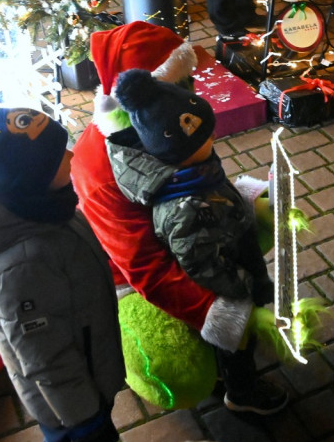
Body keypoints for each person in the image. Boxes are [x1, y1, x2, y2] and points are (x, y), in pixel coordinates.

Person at [71, 22, 290, 415]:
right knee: (187, 364)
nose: (190, 91)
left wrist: (239, 206)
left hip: (191, 229)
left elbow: (205, 176)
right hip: (138, 273)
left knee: (261, 225)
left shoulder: (162, 121)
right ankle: (237, 386)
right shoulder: (98, 164)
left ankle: (231, 352)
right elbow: (142, 265)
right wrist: (217, 310)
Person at [0, 107, 135, 442]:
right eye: (58, 156)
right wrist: (83, 417)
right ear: (27, 176)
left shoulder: (38, 205)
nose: (71, 156)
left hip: (83, 363)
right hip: (67, 398)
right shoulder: (22, 267)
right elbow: (46, 359)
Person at [110, 68, 273, 309]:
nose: (215, 137)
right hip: (230, 290)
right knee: (240, 345)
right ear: (179, 150)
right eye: (206, 136)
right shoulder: (185, 209)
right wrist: (248, 286)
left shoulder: (196, 169)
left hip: (234, 245)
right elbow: (204, 268)